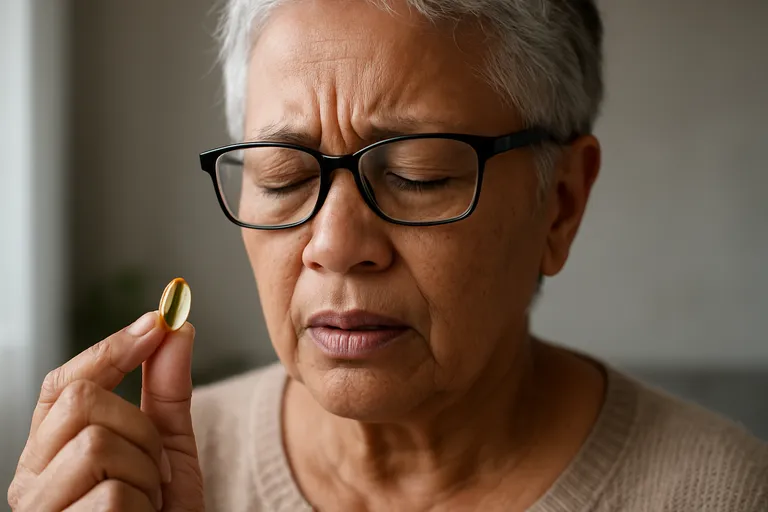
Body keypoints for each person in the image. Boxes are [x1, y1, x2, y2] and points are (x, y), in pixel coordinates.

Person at [8, 0, 768, 510]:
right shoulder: (142, 481)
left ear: (560, 203)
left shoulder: (719, 492)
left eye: (416, 176)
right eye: (284, 176)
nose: (336, 247)